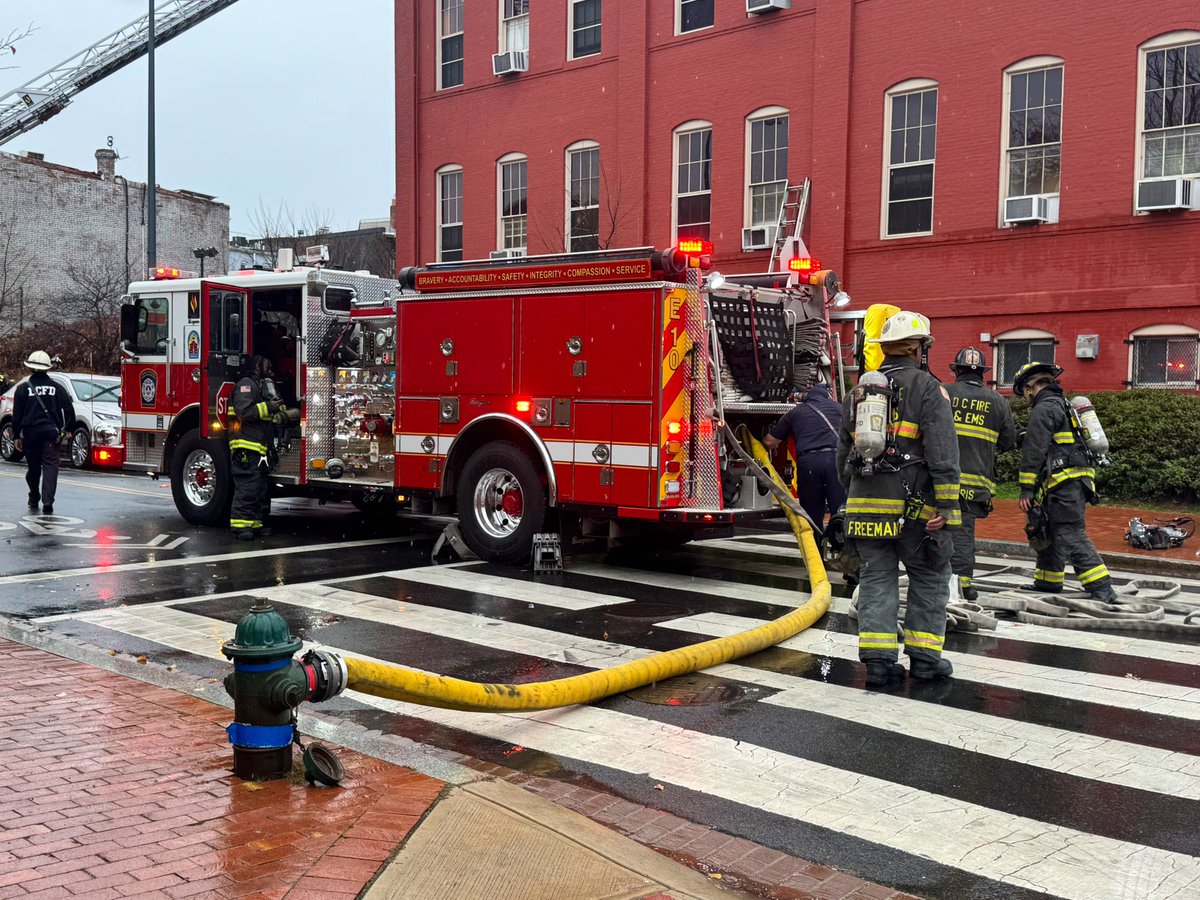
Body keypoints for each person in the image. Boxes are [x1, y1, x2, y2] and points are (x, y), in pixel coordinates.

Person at [836, 311, 961, 687]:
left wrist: (857, 494)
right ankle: (924, 658)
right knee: (930, 575)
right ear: (916, 348)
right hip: (916, 511)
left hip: (865, 509)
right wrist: (946, 504)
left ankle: (878, 663)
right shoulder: (928, 388)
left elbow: (842, 457)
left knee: (876, 578)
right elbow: (942, 449)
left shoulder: (857, 393)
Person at [1013, 361, 1116, 601]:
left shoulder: (1044, 407)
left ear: (1030, 387)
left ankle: (1102, 587)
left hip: (1065, 482)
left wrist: (1026, 489)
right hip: (1069, 480)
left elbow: (1034, 450)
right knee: (1049, 528)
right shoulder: (1062, 404)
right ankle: (1048, 582)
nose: (1026, 397)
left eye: (1024, 391)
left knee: (1070, 533)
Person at [945, 348, 1016, 601]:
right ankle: (963, 584)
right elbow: (1009, 441)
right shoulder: (998, 401)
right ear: (983, 374)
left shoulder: (943, 393)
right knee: (963, 533)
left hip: (939, 481)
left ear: (957, 370)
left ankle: (945, 584)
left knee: (932, 530)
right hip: (974, 485)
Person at [763, 382, 846, 530]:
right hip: (836, 462)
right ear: (828, 396)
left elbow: (769, 441)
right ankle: (841, 547)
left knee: (811, 517)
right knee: (841, 514)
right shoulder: (840, 409)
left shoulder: (796, 413)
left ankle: (816, 550)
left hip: (809, 463)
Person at [230, 355, 287, 541]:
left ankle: (256, 523)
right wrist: (270, 406)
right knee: (247, 487)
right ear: (256, 366)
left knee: (260, 488)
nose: (271, 371)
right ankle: (241, 526)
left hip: (261, 447)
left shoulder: (261, 386)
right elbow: (244, 411)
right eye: (267, 367)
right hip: (246, 446)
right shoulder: (245, 385)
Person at [11, 350, 75, 515]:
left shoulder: (22, 389)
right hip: (50, 435)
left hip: (30, 434)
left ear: (30, 369)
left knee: (33, 467)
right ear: (48, 368)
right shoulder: (57, 388)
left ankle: (34, 495)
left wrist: (16, 436)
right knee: (50, 467)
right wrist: (69, 430)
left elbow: (16, 416)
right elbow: (69, 411)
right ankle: (48, 502)